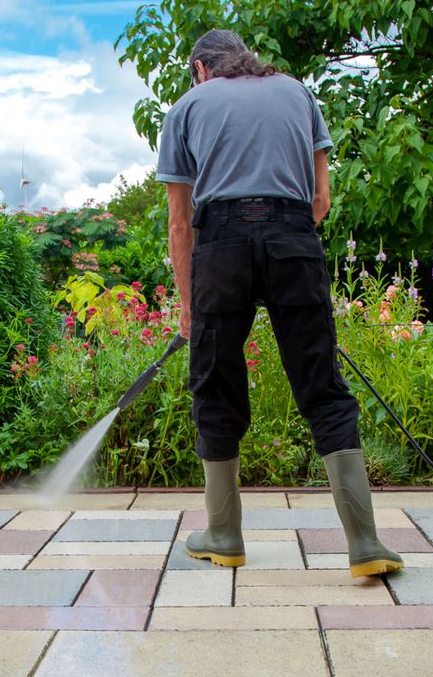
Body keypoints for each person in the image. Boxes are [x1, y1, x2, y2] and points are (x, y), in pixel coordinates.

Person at [156, 29, 402, 578]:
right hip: (294, 238)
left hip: (220, 246)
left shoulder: (187, 107)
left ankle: (224, 534)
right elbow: (320, 201)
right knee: (323, 386)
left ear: (200, 69)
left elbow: (178, 223)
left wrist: (188, 302)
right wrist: (280, 238)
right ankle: (365, 544)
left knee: (215, 382)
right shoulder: (297, 92)